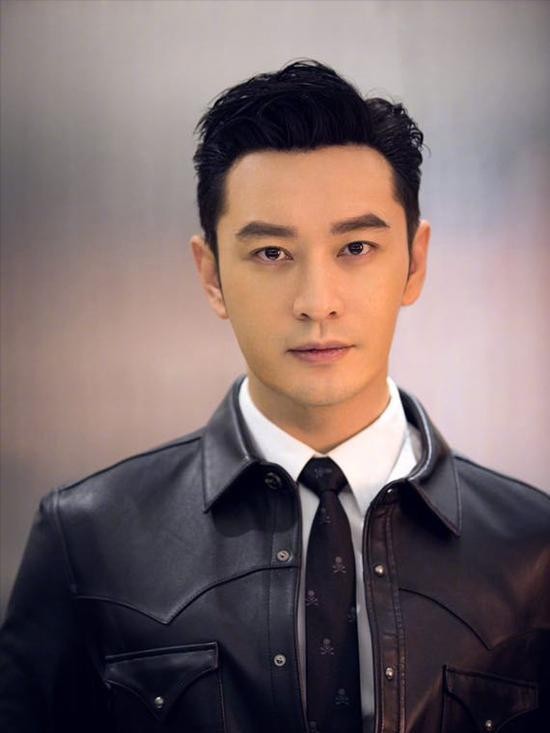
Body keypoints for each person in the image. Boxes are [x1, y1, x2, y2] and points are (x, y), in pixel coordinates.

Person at [0, 58, 548, 733]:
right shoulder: (88, 537)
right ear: (211, 274)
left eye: (356, 247)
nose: (316, 302)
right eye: (271, 254)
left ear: (415, 261)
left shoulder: (534, 549)